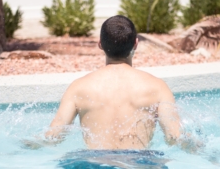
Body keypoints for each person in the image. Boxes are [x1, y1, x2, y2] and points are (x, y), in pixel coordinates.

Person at [43, 15, 198, 152]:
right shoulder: (157, 88)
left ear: (100, 44)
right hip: (138, 164)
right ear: (136, 44)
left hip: (94, 163)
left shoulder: (79, 87)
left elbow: (54, 136)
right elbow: (174, 137)